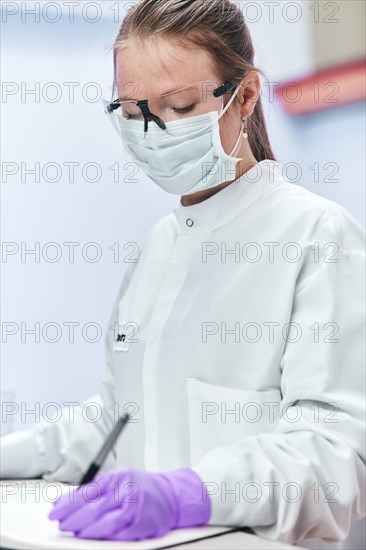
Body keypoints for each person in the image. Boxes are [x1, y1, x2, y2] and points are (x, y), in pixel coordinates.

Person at [1, 0, 365, 547]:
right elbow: (121, 416)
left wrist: (187, 495)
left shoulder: (317, 237)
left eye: (178, 105)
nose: (152, 131)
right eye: (132, 110)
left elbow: (335, 459)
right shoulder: (161, 246)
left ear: (243, 97)